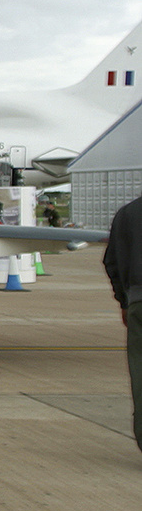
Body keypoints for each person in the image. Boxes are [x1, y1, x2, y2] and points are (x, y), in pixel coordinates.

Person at [103, 194, 142, 453]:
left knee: (140, 374)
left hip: (138, 303)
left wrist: (124, 301)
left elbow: (111, 261)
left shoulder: (127, 213)